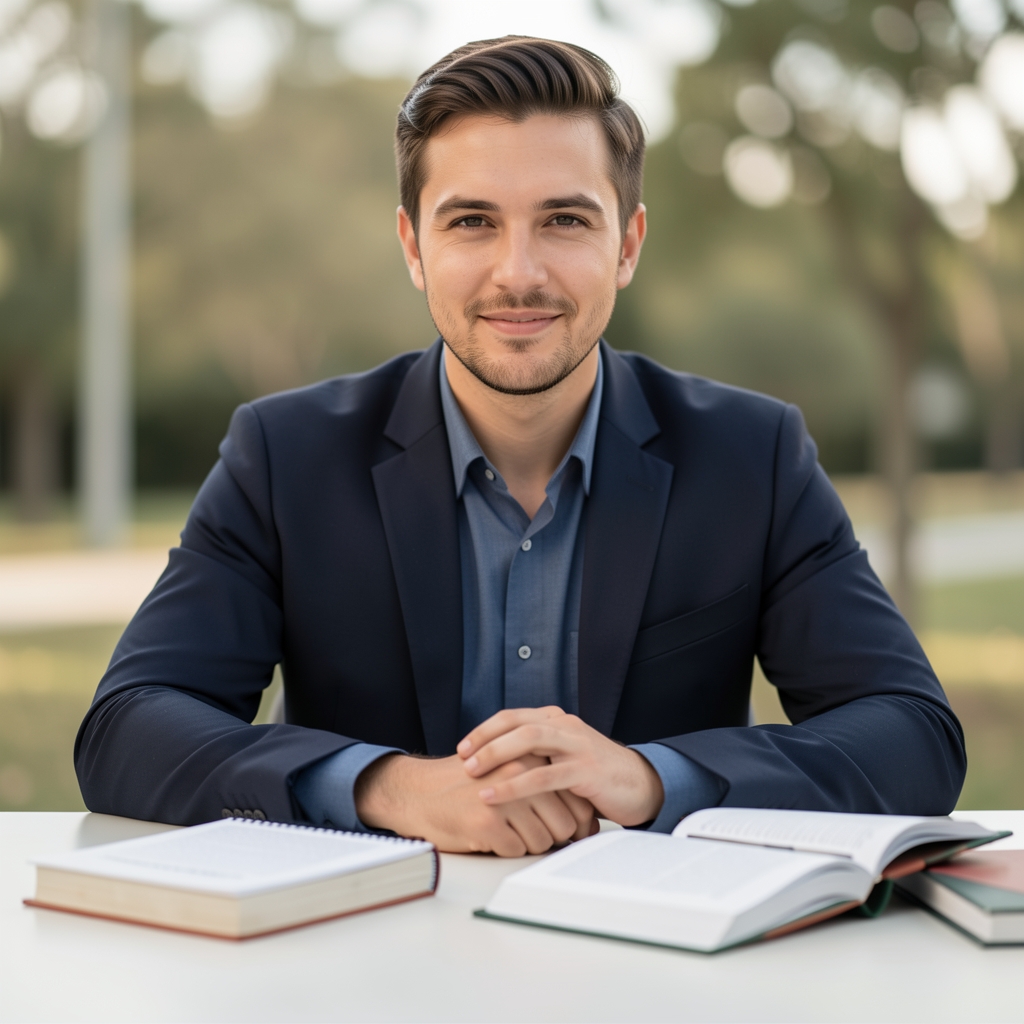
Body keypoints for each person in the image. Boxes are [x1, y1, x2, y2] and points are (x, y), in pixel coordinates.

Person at [75, 36, 966, 856]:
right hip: (363, 944)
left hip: (658, 949)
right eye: (471, 221)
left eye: (565, 220)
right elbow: (129, 727)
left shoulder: (752, 456)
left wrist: (652, 778)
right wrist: (391, 789)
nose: (519, 273)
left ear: (628, 244)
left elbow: (911, 734)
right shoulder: (284, 455)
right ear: (413, 246)